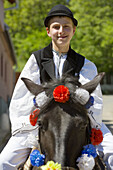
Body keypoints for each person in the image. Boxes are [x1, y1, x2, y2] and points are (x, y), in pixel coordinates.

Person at [0, 4, 113, 170]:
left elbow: (93, 102)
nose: (61, 31)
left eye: (66, 27)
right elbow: (21, 99)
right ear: (48, 31)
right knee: (4, 161)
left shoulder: (85, 64)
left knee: (112, 154)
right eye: (56, 27)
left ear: (74, 31)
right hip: (41, 122)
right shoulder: (36, 60)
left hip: (76, 121)